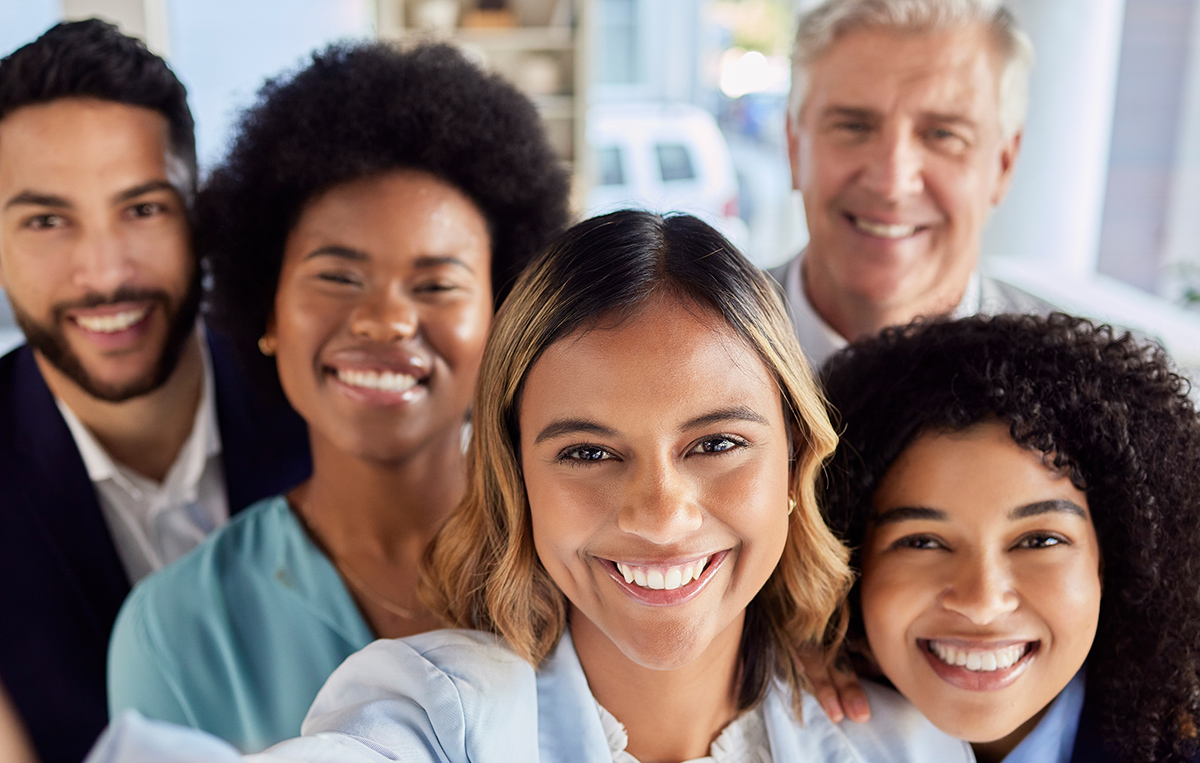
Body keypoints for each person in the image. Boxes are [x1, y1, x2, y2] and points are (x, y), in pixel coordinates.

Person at [89, 210, 967, 763]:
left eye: (717, 443)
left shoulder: (908, 741)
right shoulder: (431, 713)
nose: (661, 512)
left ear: (795, 462)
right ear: (517, 481)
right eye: (587, 453)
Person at [106, 41, 570, 752]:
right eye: (338, 277)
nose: (385, 320)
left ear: (503, 320)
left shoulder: (582, 556)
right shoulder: (178, 628)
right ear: (267, 311)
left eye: (437, 284)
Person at [0, 20, 310, 762]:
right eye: (46, 220)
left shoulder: (317, 401)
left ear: (201, 215)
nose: (105, 273)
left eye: (143, 209)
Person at [819, 314, 1200, 762]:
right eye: (922, 542)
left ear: (1113, 561)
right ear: (849, 558)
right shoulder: (777, 718)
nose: (983, 603)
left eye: (1040, 541)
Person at [770, 0, 1051, 368]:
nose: (891, 184)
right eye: (853, 126)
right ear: (794, 148)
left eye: (942, 134)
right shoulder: (700, 345)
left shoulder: (1084, 385)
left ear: (1003, 165)